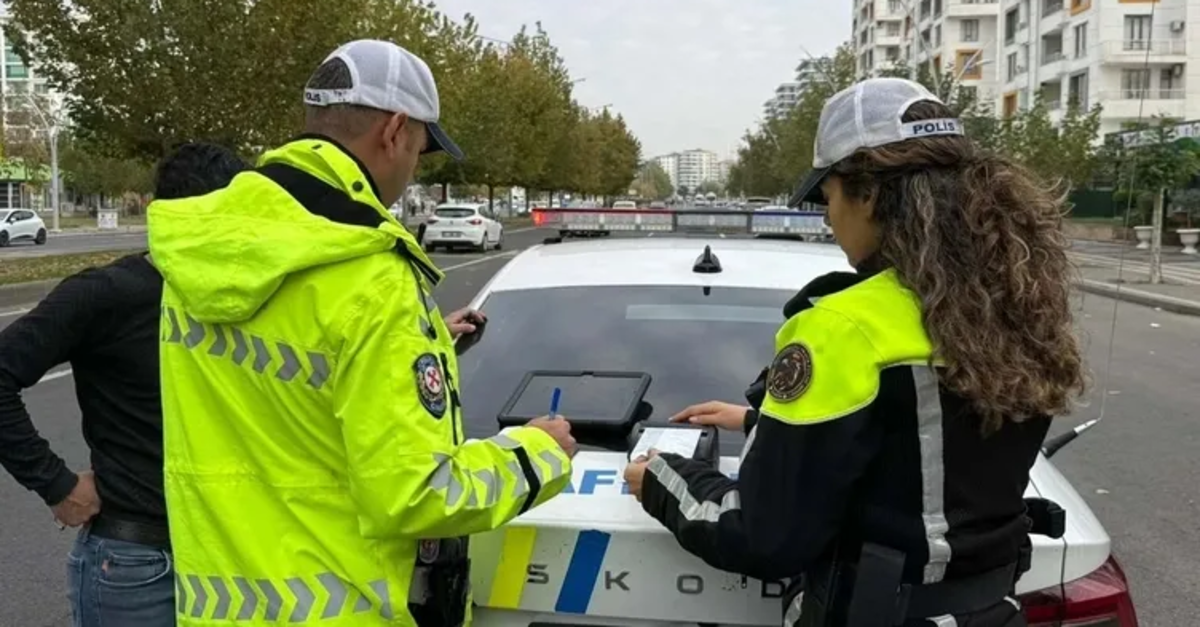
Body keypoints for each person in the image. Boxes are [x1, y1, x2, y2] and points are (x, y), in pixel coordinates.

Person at [623, 78, 1086, 627]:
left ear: (868, 192)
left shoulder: (843, 325)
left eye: (829, 195)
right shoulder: (1006, 304)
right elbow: (924, 451)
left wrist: (660, 479)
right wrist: (758, 421)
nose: (826, 216)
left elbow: (764, 536)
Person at [146, 40, 577, 627]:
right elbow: (417, 494)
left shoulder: (202, 253)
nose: (411, 171)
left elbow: (287, 397)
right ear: (395, 131)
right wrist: (537, 455)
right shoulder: (370, 278)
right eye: (421, 152)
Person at [0, 142, 249, 627]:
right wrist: (56, 483)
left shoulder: (251, 301)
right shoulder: (110, 294)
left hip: (233, 556)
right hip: (139, 565)